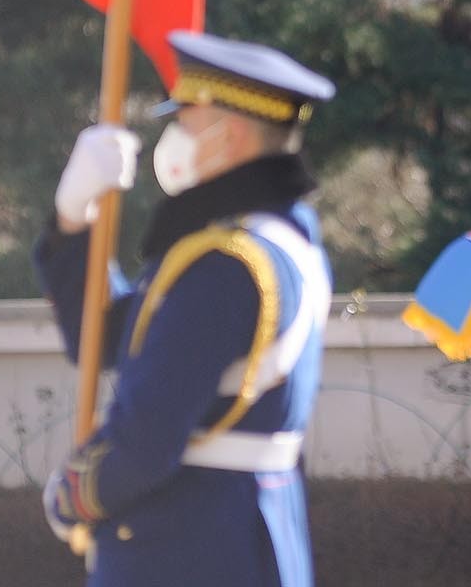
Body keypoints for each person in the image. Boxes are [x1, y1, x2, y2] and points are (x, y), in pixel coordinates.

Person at [33, 32, 335, 586]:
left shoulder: (224, 263)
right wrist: (76, 222)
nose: (173, 138)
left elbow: (145, 443)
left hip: (188, 547)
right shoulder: (287, 240)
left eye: (188, 122)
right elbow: (109, 337)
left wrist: (73, 496)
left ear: (233, 137)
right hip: (244, 536)